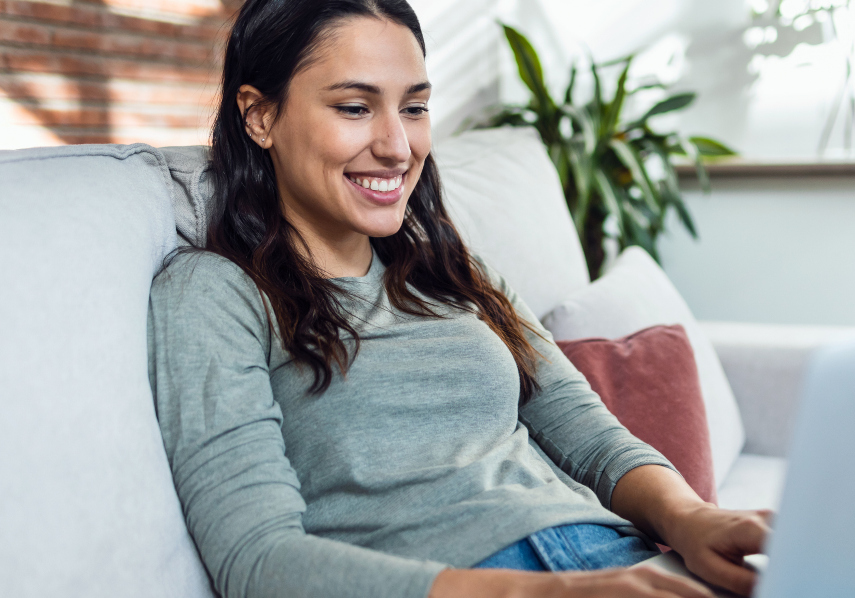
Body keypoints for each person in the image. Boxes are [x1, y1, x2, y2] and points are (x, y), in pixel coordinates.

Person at [146, 1, 771, 597]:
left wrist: (692, 518)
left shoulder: (453, 272)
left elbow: (586, 433)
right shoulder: (215, 293)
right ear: (260, 116)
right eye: (356, 108)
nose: (398, 146)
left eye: (414, 108)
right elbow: (258, 562)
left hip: (617, 561)